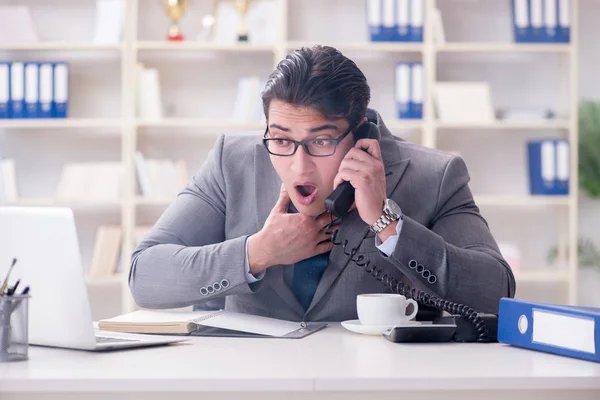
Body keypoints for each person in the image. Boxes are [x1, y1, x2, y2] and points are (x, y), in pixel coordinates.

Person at [128, 45, 516, 322]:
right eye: (281, 140)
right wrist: (257, 252)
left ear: (362, 135)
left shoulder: (435, 176)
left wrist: (387, 223)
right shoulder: (233, 161)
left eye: (320, 141)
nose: (300, 166)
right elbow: (145, 277)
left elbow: (496, 293)